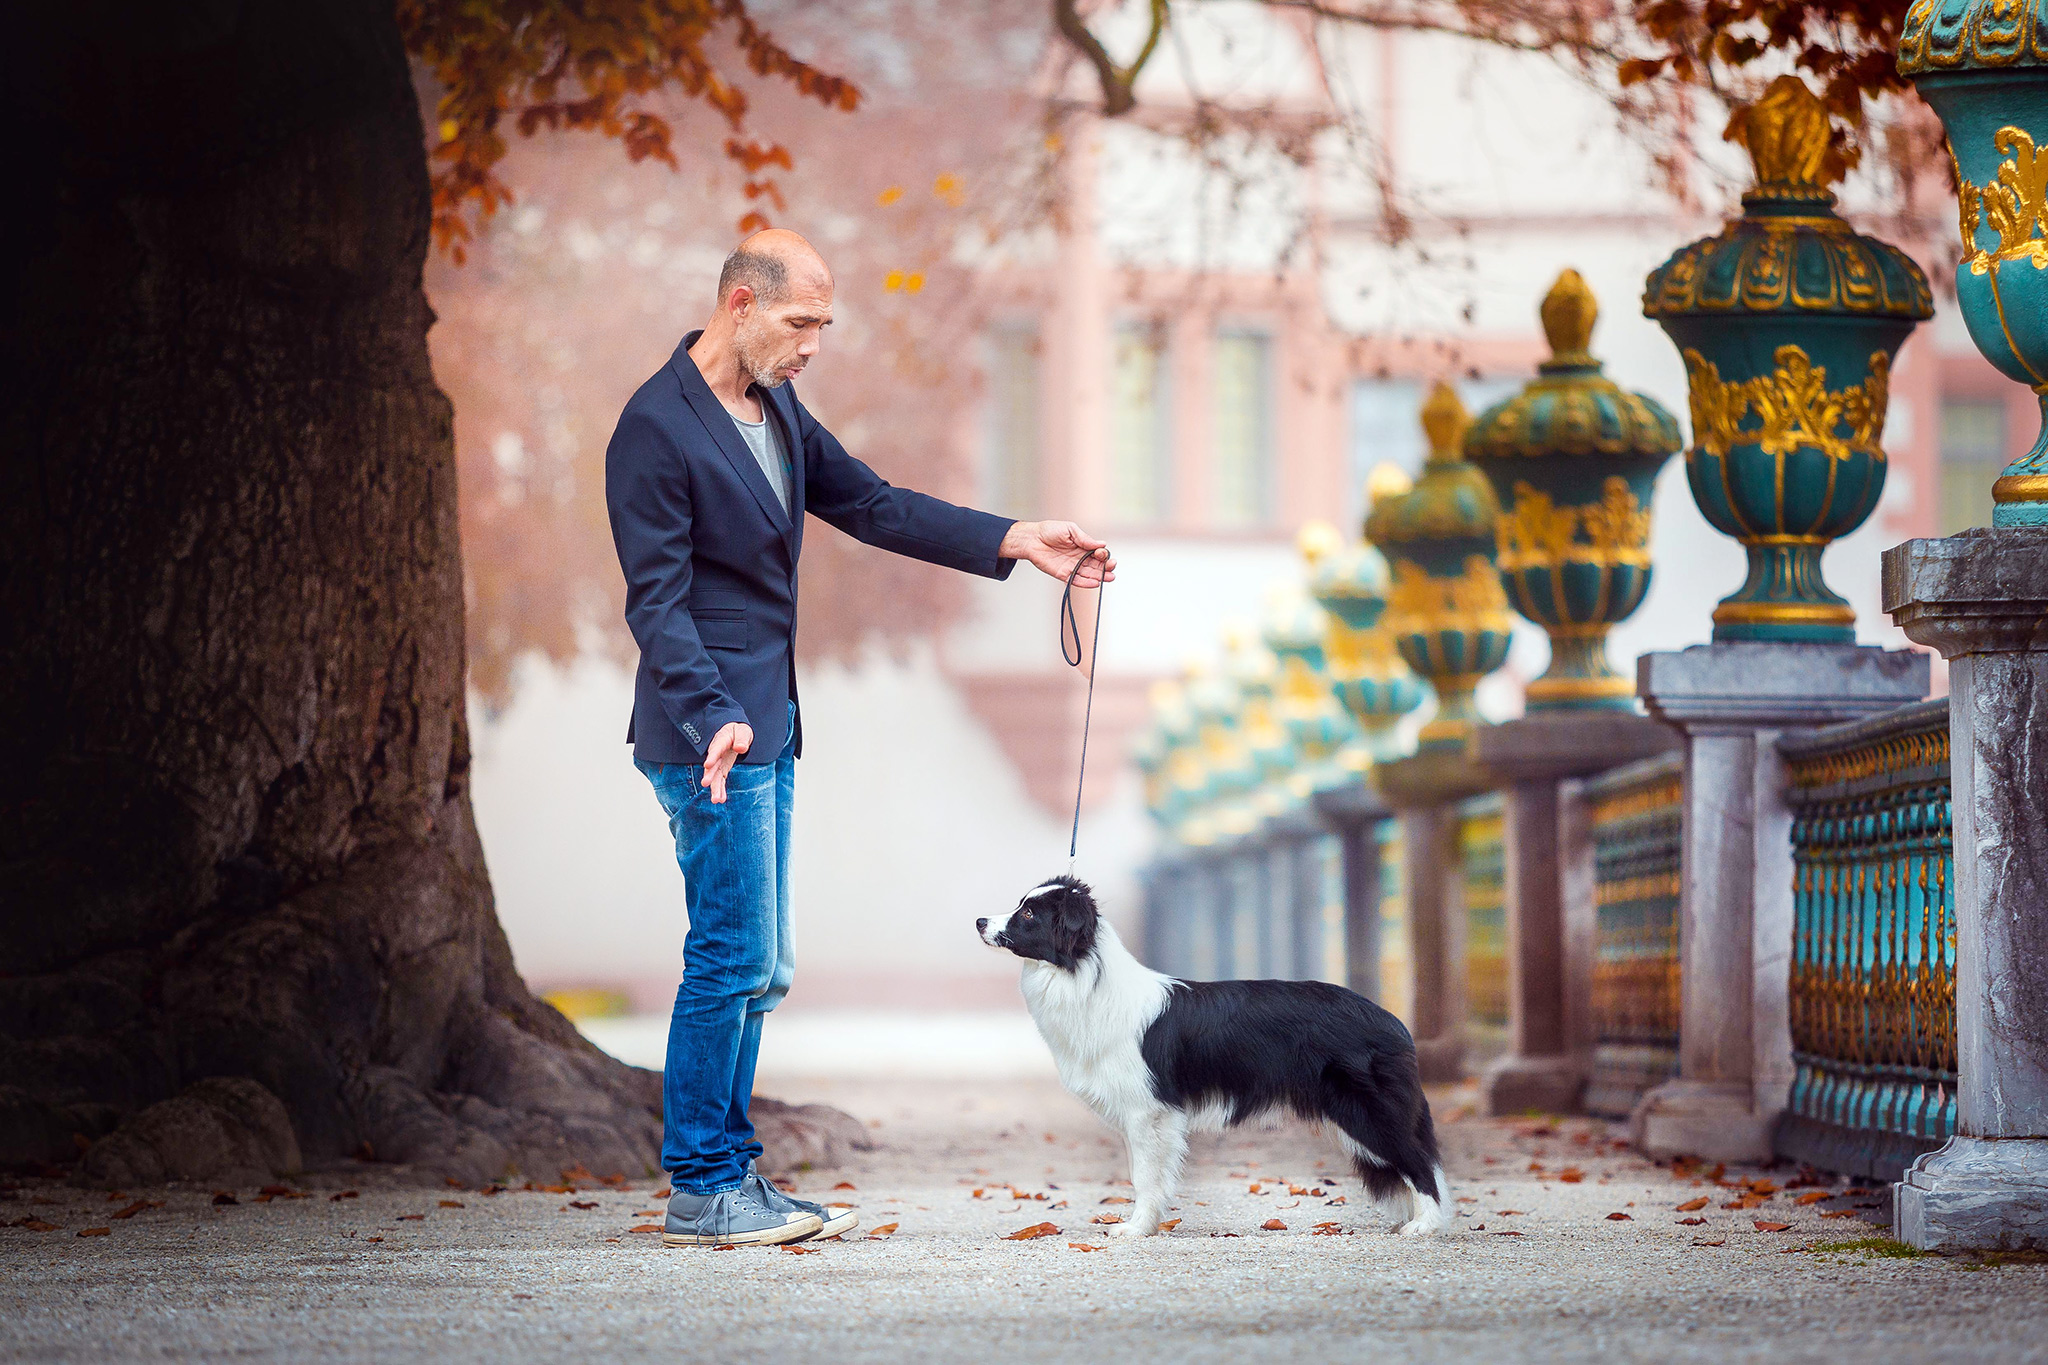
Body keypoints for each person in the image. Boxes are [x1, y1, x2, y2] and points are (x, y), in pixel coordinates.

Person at [604, 229, 1115, 1247]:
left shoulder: (776, 410)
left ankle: (731, 1176)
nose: (814, 346)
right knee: (728, 956)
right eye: (801, 323)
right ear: (740, 305)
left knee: (764, 962)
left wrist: (1012, 539)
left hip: (768, 725)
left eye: (823, 326)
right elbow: (655, 604)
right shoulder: (654, 428)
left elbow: (872, 505)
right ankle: (703, 1186)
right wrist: (716, 715)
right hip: (709, 731)